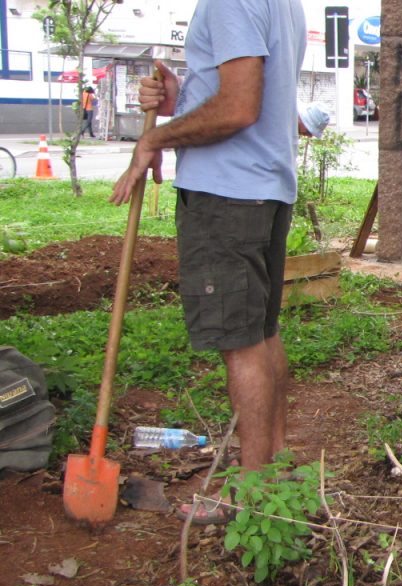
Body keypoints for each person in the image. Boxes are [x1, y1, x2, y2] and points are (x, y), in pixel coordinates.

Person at [109, 0, 306, 523]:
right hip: (262, 187)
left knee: (240, 343)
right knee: (261, 332)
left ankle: (252, 497)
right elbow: (245, 93)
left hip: (227, 193)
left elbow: (239, 107)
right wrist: (183, 96)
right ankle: (275, 470)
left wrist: (154, 137)